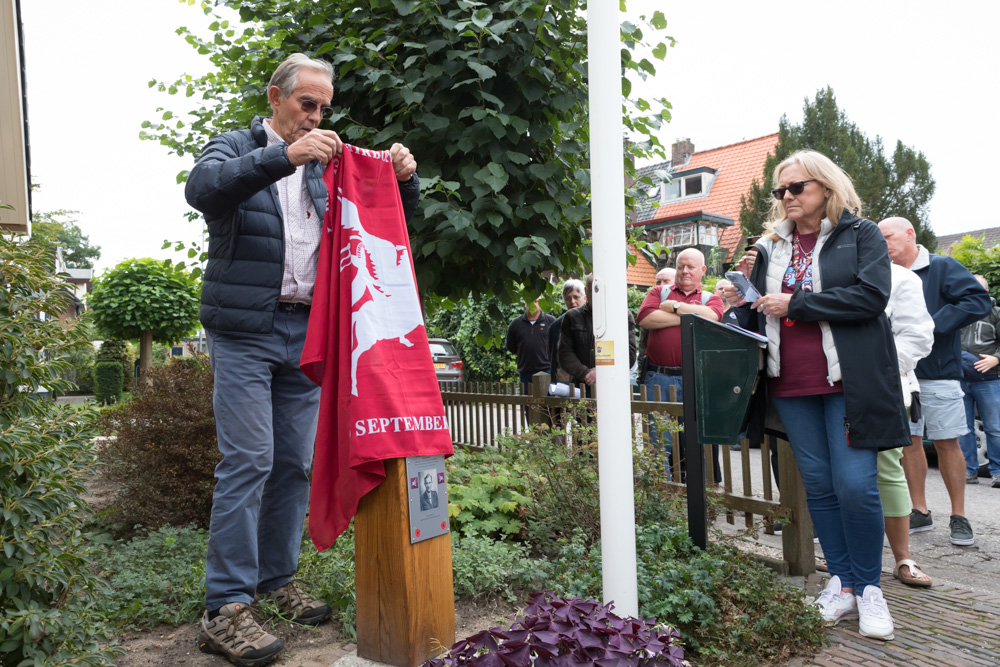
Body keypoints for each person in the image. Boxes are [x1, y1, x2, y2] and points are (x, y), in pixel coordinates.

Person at [185, 53, 419, 666]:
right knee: (249, 460)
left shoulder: (330, 164)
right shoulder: (235, 146)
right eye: (305, 103)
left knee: (292, 464)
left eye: (323, 106)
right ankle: (226, 609)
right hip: (243, 332)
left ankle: (275, 582)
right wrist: (281, 157)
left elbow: (388, 225)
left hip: (307, 333)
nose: (315, 116)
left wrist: (403, 177)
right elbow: (202, 190)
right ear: (275, 97)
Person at [721, 150, 907, 641]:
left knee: (855, 486)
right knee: (819, 486)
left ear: (825, 186)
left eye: (796, 188)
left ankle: (870, 589)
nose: (786, 197)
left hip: (848, 381)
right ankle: (842, 583)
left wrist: (795, 303)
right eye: (780, 191)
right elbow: (764, 314)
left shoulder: (860, 234)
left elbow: (872, 297)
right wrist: (741, 302)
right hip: (791, 384)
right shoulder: (769, 247)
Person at [877, 216, 991, 546]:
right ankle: (920, 510)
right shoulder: (882, 272)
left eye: (889, 236)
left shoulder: (942, 266)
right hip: (900, 374)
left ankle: (959, 516)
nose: (884, 244)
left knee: (947, 442)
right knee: (909, 444)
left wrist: (929, 325)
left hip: (938, 373)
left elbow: (977, 300)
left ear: (910, 234)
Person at [637, 249, 724, 481]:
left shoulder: (710, 298)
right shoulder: (659, 291)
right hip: (658, 377)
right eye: (681, 266)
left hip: (695, 377)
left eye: (691, 267)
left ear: (702, 270)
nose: (685, 271)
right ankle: (662, 498)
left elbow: (713, 316)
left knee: (695, 441)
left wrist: (674, 307)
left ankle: (700, 500)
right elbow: (645, 317)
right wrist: (693, 315)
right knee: (658, 441)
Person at [881, 262, 935, 587]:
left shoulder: (901, 277)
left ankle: (903, 557)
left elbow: (917, 338)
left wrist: (873, 369)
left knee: (888, 469)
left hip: (885, 387)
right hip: (829, 388)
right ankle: (848, 560)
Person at [558, 274, 637, 390]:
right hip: (581, 387)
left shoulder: (622, 315)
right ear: (586, 291)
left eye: (602, 290)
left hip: (613, 385)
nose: (598, 294)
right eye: (594, 289)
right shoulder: (573, 317)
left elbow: (629, 353)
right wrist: (586, 374)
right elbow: (565, 353)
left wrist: (601, 372)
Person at [959, 275, 1000, 487]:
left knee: (994, 428)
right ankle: (968, 471)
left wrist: (996, 358)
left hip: (989, 380)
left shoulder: (996, 313)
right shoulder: (957, 312)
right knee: (962, 428)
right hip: (959, 379)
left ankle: (998, 472)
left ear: (985, 293)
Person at [505, 299, 556, 388]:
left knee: (546, 401)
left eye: (536, 301)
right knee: (527, 401)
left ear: (541, 302)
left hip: (547, 371)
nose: (533, 304)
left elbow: (558, 344)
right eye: (530, 301)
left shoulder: (551, 321)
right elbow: (510, 346)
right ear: (525, 303)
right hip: (525, 373)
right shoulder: (516, 323)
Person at [548, 279, 586, 383]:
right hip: (562, 383)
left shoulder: (594, 321)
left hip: (586, 381)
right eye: (568, 298)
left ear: (585, 297)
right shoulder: (555, 326)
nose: (572, 301)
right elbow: (552, 355)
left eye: (576, 297)